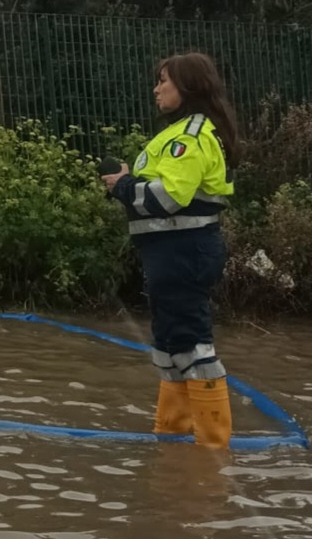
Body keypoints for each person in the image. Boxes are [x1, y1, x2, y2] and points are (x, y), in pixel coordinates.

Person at [102, 52, 237, 449]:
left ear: (188, 86)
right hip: (168, 254)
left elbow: (168, 197)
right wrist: (124, 184)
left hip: (185, 253)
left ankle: (212, 449)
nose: (157, 88)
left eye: (165, 81)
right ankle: (174, 444)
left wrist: (124, 187)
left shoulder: (189, 137)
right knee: (169, 346)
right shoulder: (175, 134)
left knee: (192, 345)